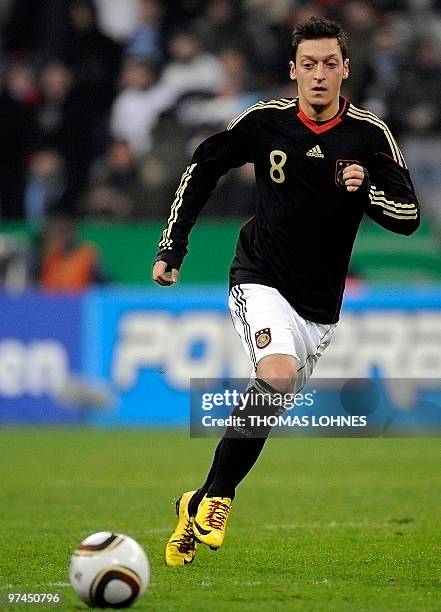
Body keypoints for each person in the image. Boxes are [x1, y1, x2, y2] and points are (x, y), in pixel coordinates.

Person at [152, 17, 420, 566]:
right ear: (292, 70)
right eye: (309, 64)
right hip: (259, 277)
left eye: (329, 64)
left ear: (345, 70)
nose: (319, 75)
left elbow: (410, 215)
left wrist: (367, 190)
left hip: (320, 310)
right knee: (273, 375)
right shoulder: (264, 124)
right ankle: (221, 499)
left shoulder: (370, 136)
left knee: (269, 404)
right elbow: (202, 168)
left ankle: (196, 501)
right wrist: (173, 248)